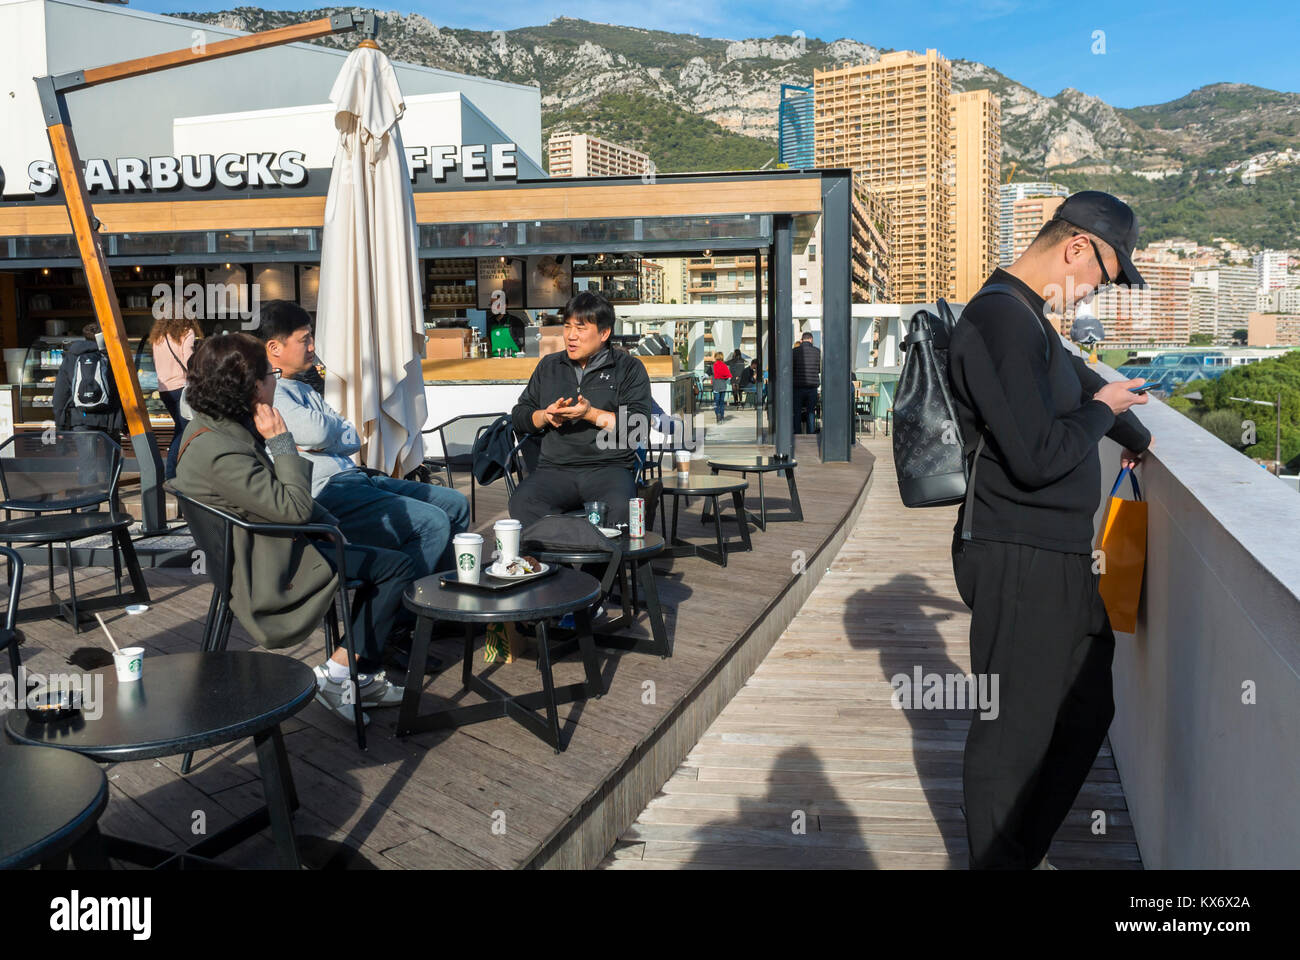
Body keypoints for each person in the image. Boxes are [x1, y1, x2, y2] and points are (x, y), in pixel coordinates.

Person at [947, 190, 1155, 870]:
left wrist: (1134, 431)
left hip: (1057, 554)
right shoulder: (1000, 320)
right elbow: (1037, 458)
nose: (1099, 290)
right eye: (1104, 274)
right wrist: (1101, 411)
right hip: (1017, 551)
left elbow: (1082, 386)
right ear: (1075, 248)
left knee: (1085, 706)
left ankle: (1018, 853)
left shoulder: (1031, 319)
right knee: (1013, 735)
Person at [172, 333, 410, 723]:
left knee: (380, 555)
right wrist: (282, 443)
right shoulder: (221, 451)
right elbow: (295, 509)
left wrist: (331, 524)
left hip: (268, 546)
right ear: (250, 386)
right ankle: (339, 675)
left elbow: (280, 504)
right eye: (271, 374)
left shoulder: (211, 429)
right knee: (395, 566)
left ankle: (356, 674)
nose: (276, 381)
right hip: (269, 569)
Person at [254, 300, 469, 578]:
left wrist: (325, 436)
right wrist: (329, 432)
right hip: (326, 493)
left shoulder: (303, 386)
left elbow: (352, 436)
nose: (312, 347)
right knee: (433, 523)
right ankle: (407, 613)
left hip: (356, 477)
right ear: (274, 348)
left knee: (455, 504)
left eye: (311, 338)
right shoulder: (273, 391)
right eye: (304, 339)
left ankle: (442, 598)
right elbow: (320, 432)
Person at [508, 291, 651, 527]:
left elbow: (638, 427)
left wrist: (590, 414)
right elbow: (520, 415)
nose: (571, 336)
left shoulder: (628, 368)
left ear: (604, 333)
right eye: (567, 327)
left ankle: (593, 562)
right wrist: (545, 416)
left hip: (609, 469)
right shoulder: (549, 366)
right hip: (555, 469)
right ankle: (559, 560)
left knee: (620, 508)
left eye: (581, 328)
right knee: (522, 504)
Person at [149, 312, 203, 480]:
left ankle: (178, 471)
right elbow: (189, 360)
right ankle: (172, 473)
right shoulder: (186, 332)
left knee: (181, 429)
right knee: (186, 431)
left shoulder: (158, 336)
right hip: (182, 388)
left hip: (165, 390)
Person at [52, 322, 125, 437]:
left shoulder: (72, 356)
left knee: (87, 456)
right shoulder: (111, 355)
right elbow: (122, 390)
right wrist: (125, 424)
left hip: (81, 418)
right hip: (110, 419)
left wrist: (60, 425)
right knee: (110, 455)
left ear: (84, 337)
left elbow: (60, 394)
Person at [792, 331, 820, 434]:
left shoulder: (794, 351)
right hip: (812, 387)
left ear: (802, 340)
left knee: (797, 412)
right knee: (811, 412)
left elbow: (791, 368)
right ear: (811, 340)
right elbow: (819, 369)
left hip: (798, 387)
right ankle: (811, 434)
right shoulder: (817, 352)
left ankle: (797, 434)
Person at [710, 352, 731, 423]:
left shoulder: (713, 366)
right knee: (722, 403)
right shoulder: (725, 366)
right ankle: (722, 417)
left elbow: (707, 374)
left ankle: (717, 414)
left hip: (716, 387)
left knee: (716, 402)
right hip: (723, 387)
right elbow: (727, 376)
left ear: (716, 357)